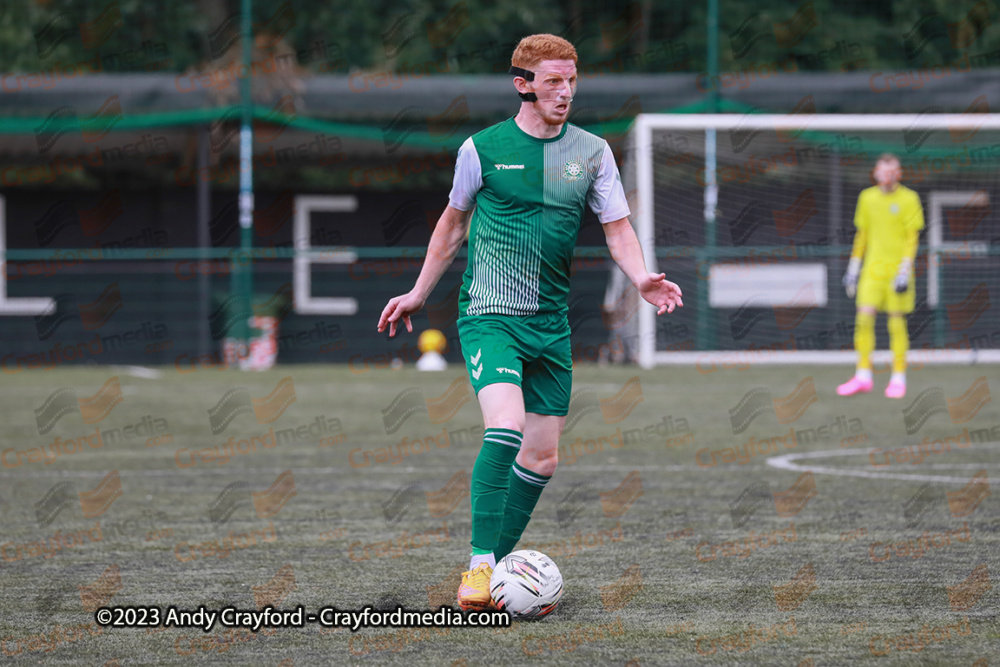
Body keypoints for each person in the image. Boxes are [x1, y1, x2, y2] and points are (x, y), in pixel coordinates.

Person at [376, 34, 683, 610]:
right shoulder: (482, 149)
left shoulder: (593, 152)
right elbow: (451, 226)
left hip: (551, 325)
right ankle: (479, 567)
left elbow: (617, 227)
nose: (564, 92)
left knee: (542, 457)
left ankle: (490, 579)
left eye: (571, 81)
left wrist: (642, 277)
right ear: (523, 84)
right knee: (505, 427)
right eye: (552, 82)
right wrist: (419, 292)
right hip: (490, 317)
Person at [838, 153, 924, 399]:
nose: (887, 175)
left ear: (899, 173)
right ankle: (863, 375)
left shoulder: (909, 198)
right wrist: (854, 268)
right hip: (871, 272)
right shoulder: (867, 198)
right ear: (875, 173)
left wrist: (905, 269)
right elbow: (862, 235)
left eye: (892, 170)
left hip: (897, 272)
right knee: (863, 320)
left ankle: (898, 378)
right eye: (883, 170)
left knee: (896, 323)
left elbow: (912, 238)